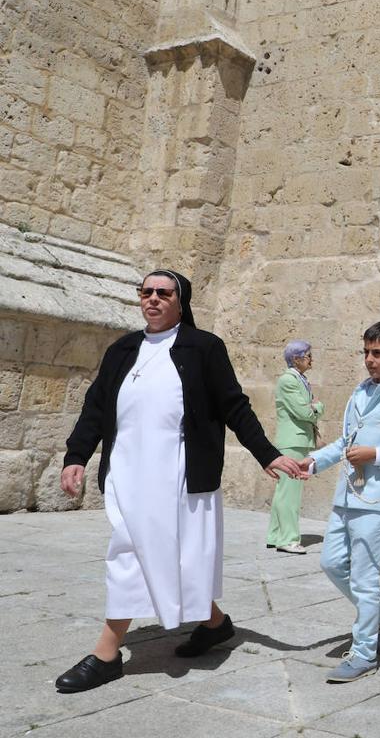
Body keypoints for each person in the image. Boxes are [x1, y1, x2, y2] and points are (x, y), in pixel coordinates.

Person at [55, 270, 306, 693]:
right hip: (127, 471)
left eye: (163, 293)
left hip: (177, 473)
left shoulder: (203, 347)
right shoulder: (122, 349)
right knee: (134, 550)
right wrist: (76, 455)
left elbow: (234, 405)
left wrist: (267, 453)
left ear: (179, 299)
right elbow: (96, 407)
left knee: (162, 557)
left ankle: (108, 652)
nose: (152, 299)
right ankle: (213, 624)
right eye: (146, 292)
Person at [303, 321, 380, 683]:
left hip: (377, 499)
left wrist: (377, 453)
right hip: (347, 494)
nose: (370, 360)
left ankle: (363, 653)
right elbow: (346, 441)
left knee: (364, 578)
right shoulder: (359, 391)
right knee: (331, 563)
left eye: (378, 353)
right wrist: (313, 461)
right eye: (366, 352)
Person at [267, 340, 325, 554]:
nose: (311, 359)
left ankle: (275, 535)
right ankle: (288, 539)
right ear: (296, 358)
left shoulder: (300, 379)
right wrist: (319, 407)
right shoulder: (289, 380)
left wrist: (311, 407)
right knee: (290, 493)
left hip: (298, 440)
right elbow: (304, 412)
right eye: (308, 355)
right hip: (293, 441)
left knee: (285, 491)